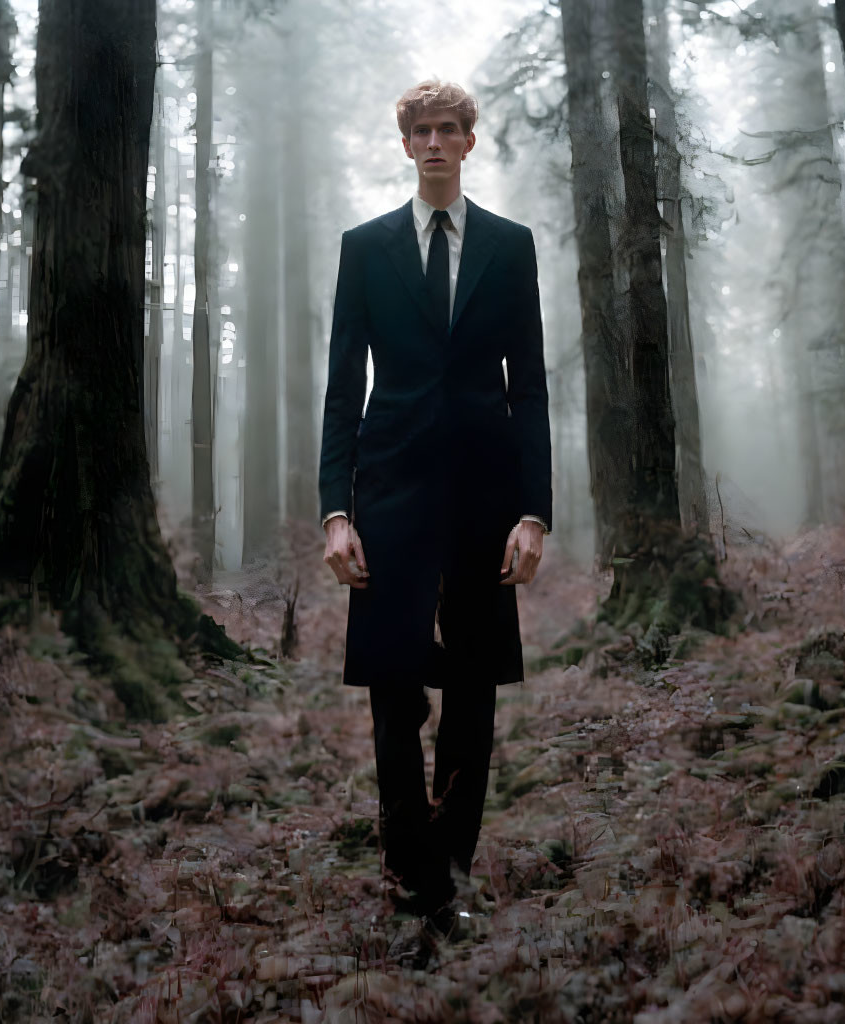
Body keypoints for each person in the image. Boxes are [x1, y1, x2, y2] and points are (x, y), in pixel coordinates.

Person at [317, 80, 552, 935]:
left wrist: (535, 512)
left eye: (451, 129)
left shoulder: (510, 246)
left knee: (477, 692)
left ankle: (449, 872)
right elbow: (343, 389)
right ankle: (410, 875)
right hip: (390, 495)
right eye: (423, 130)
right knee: (390, 688)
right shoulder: (367, 248)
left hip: (486, 500)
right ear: (406, 143)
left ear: (470, 142)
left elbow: (528, 387)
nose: (438, 142)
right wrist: (333, 512)